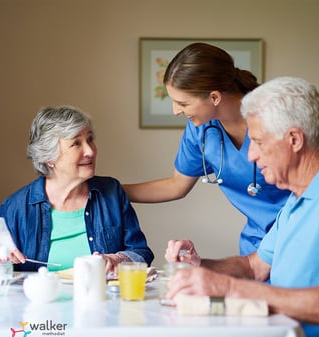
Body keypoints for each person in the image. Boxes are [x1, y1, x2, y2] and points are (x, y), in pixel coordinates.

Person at [165, 76, 319, 337]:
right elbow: (254, 266)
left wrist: (231, 289)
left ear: (294, 139)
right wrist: (200, 267)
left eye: (258, 142)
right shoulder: (296, 202)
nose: (250, 155)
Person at [123, 42, 290, 256]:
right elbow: (176, 185)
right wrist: (109, 190)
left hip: (300, 236)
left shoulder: (279, 118)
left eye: (183, 103)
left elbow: (316, 183)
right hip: (257, 245)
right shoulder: (201, 130)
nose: (176, 111)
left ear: (214, 97)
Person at [0, 106, 154, 273]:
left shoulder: (112, 192)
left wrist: (118, 259)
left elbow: (141, 253)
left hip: (101, 297)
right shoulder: (15, 208)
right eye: (76, 143)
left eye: (90, 139)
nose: (90, 151)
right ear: (49, 157)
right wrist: (0, 261)